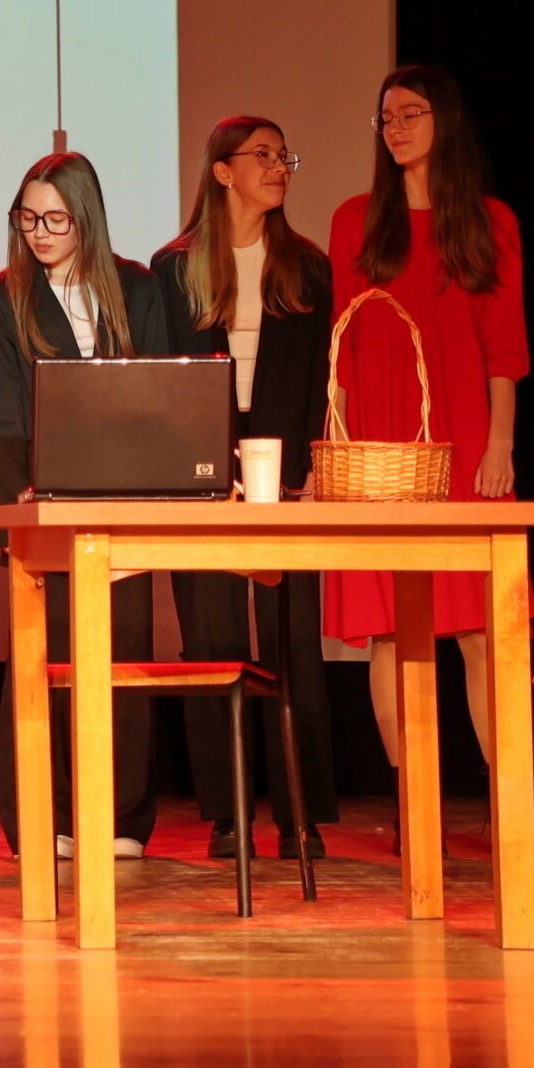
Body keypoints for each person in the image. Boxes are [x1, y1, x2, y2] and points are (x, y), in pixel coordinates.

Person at [324, 65, 529, 768]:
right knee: (390, 629)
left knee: (481, 627)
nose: (397, 128)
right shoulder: (355, 220)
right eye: (386, 117)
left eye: (411, 113)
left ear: (446, 120)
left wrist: (500, 442)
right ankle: (415, 802)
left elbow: (505, 346)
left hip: (466, 435)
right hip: (379, 446)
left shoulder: (490, 221)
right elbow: (342, 348)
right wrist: (334, 446)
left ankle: (509, 800)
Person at [153, 116, 339, 859]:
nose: (278, 166)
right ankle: (229, 813)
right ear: (222, 171)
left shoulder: (308, 265)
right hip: (201, 472)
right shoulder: (174, 268)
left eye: (283, 155)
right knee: (213, 641)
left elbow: (323, 374)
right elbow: (165, 379)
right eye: (262, 154)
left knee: (292, 639)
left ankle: (299, 814)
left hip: (285, 470)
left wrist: (314, 467)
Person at [0, 150, 171, 860]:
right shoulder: (2, 297)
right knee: (44, 656)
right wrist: (17, 503)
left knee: (123, 654)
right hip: (44, 502)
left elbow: (160, 393)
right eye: (28, 218)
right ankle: (45, 814)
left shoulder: (137, 287)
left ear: (86, 217)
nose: (40, 232)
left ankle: (120, 815)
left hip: (128, 498)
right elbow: (1, 413)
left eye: (55, 219)